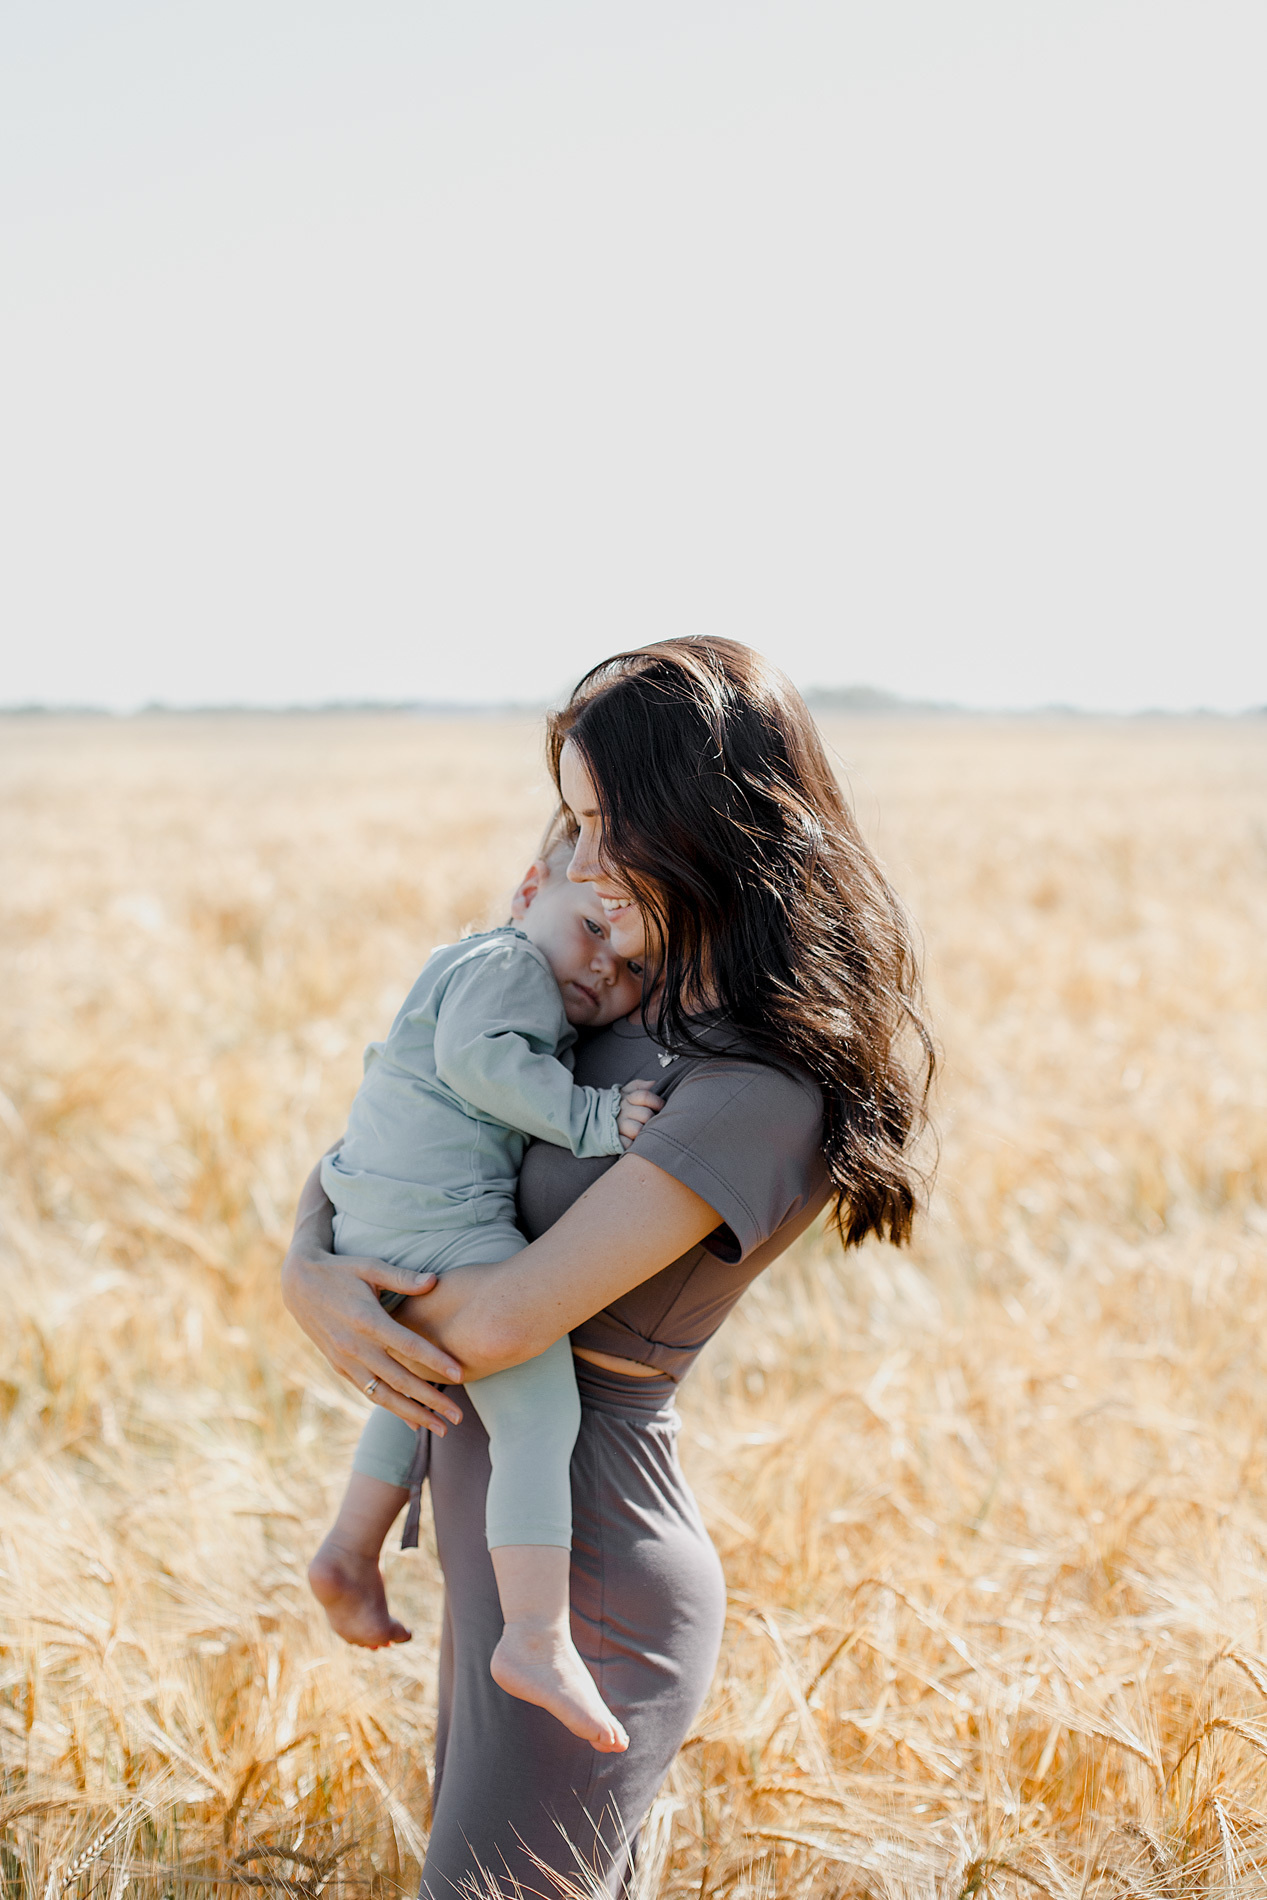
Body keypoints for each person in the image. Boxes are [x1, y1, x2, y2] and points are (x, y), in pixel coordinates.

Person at [283, 637, 933, 1896]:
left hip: (586, 1570)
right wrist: (306, 1263)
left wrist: (328, 1286)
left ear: (704, 821)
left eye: (606, 824)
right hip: (503, 1551)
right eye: (570, 824)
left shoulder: (750, 1088)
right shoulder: (608, 1004)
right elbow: (401, 1136)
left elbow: (502, 1320)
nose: (579, 862)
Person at [307, 846, 664, 1753]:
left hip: (376, 1217)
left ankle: (349, 1550)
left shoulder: (465, 963)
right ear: (527, 892)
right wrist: (593, 1117)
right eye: (592, 929)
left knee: (419, 1379)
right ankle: (535, 1634)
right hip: (442, 1219)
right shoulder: (510, 965)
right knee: (538, 1412)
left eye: (631, 969)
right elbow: (479, 1063)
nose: (603, 967)